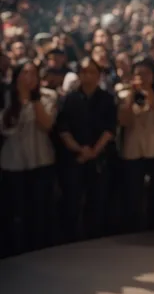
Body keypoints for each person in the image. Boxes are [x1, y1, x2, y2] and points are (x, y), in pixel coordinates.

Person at [54, 57, 117, 242]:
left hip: (100, 158)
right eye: (84, 71)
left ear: (99, 76)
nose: (87, 75)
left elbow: (109, 129)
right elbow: (63, 129)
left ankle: (95, 240)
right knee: (71, 202)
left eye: (92, 72)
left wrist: (93, 152)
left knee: (97, 202)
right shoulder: (69, 99)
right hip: (74, 159)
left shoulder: (107, 99)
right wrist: (79, 150)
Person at [0, 61, 58, 254]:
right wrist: (19, 101)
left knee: (39, 209)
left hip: (40, 159)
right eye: (24, 73)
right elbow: (6, 128)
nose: (29, 78)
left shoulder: (48, 96)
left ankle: (39, 249)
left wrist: (33, 100)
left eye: (33, 74)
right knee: (15, 210)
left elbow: (46, 124)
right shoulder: (6, 97)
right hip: (13, 161)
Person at [119, 56, 154, 232]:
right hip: (133, 149)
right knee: (133, 192)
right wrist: (130, 96)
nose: (142, 78)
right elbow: (122, 121)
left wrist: (151, 95)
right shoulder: (123, 94)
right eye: (138, 74)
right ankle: (135, 228)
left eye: (146, 74)